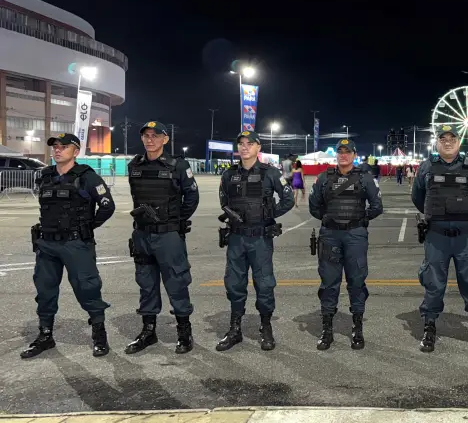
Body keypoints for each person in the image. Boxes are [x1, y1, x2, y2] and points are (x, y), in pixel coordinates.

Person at [21, 133, 115, 359]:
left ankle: (99, 335)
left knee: (88, 288)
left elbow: (107, 206)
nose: (57, 149)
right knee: (44, 290)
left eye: (63, 146)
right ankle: (45, 335)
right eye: (54, 146)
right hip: (47, 244)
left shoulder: (87, 177)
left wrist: (87, 227)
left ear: (76, 151)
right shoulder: (45, 176)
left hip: (76, 244)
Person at [412, 125, 468, 353]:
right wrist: (438, 213)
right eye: (443, 138)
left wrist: (463, 212)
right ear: (437, 142)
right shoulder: (426, 166)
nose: (448, 142)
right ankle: (429, 327)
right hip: (436, 236)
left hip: (466, 236)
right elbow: (418, 196)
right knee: (433, 284)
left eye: (452, 138)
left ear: (459, 141)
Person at [125, 121, 200, 355]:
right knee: (146, 284)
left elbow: (192, 197)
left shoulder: (178, 165)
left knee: (176, 282)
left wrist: (174, 221)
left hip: (168, 236)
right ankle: (148, 331)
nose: (150, 140)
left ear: (165, 139)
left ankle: (184, 333)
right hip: (142, 235)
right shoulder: (134, 166)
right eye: (146, 136)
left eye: (155, 136)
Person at [216, 131, 294, 352]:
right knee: (234, 283)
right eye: (240, 143)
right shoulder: (228, 175)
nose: (244, 147)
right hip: (236, 237)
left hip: (260, 237)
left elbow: (287, 199)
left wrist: (268, 215)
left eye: (250, 143)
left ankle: (265, 326)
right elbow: (224, 200)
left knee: (264, 283)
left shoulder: (270, 173)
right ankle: (234, 329)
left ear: (258, 147)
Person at [308, 139, 383, 350]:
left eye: (347, 152)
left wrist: (360, 220)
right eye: (340, 152)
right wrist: (329, 219)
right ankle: (327, 330)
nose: (343, 155)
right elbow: (314, 206)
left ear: (354, 154)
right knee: (329, 282)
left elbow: (377, 206)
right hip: (330, 235)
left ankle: (357, 329)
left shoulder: (365, 178)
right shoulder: (324, 178)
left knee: (357, 281)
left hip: (355, 235)